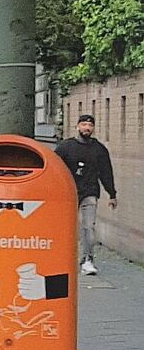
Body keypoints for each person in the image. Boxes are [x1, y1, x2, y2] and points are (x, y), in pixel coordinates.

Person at [55, 114, 117, 276]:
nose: (87, 128)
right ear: (77, 126)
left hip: (90, 191)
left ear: (93, 128)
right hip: (68, 193)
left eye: (90, 125)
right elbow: (54, 169)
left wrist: (112, 193)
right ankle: (61, 257)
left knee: (88, 227)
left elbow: (106, 172)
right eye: (83, 124)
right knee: (65, 226)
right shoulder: (65, 147)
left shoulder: (99, 149)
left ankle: (87, 260)